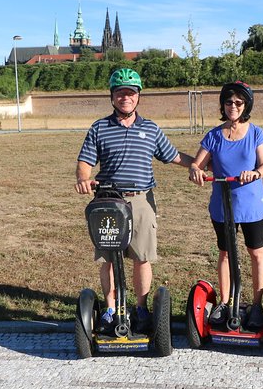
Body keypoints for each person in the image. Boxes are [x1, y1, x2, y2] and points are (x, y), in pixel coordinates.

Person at [75, 68, 194, 333]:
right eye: (120, 93)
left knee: (142, 257)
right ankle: (109, 308)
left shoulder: (150, 128)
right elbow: (85, 161)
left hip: (141, 201)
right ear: (112, 97)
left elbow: (173, 156)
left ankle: (140, 309)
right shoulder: (100, 127)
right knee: (107, 258)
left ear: (138, 96)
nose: (125, 97)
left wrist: (199, 165)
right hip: (108, 199)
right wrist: (84, 178)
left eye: (130, 93)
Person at [188, 81, 263, 328]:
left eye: (238, 102)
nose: (232, 106)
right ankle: (225, 302)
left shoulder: (255, 132)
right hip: (222, 206)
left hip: (252, 205)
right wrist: (195, 171)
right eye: (228, 102)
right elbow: (196, 163)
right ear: (223, 105)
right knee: (225, 253)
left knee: (256, 253)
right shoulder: (214, 136)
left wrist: (254, 173)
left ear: (246, 105)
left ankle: (256, 304)